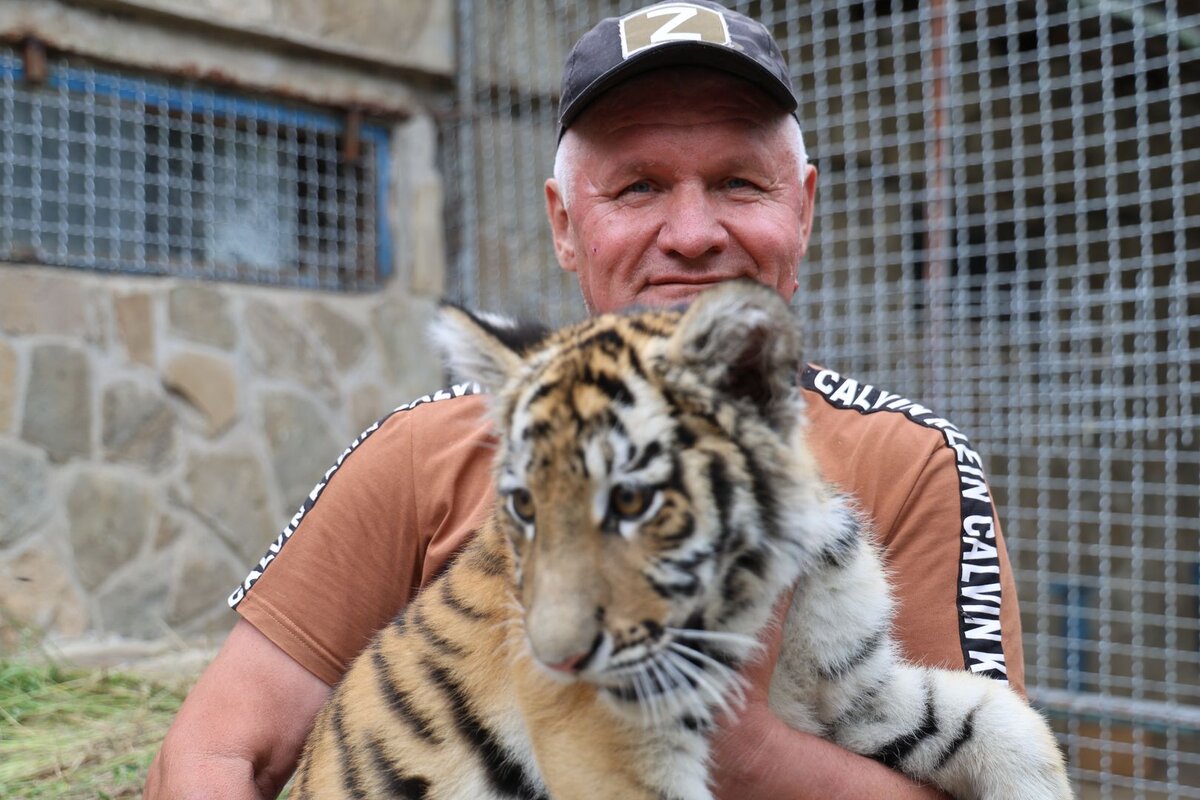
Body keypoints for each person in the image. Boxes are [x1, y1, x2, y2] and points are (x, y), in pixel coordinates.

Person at [145, 2, 1025, 798]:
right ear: (565, 225)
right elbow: (212, 755)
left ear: (802, 209)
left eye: (739, 183)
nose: (690, 236)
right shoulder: (423, 446)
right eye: (637, 187)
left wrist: (742, 747)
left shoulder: (916, 463)